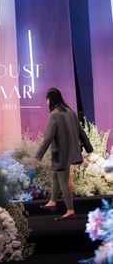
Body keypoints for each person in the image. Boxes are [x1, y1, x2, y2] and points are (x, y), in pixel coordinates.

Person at [35, 88, 93, 220]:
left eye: (47, 99)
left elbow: (48, 138)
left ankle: (70, 210)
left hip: (60, 154)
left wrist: (38, 156)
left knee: (63, 182)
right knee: (56, 176)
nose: (46, 102)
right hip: (70, 153)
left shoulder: (54, 114)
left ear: (50, 99)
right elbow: (81, 132)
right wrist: (89, 148)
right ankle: (52, 202)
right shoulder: (71, 112)